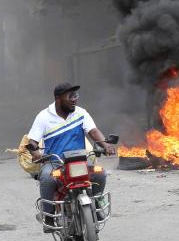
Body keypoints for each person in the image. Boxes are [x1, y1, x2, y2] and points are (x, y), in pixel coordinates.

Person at [27, 83, 116, 232]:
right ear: (58, 98)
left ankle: (96, 203)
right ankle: (49, 215)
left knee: (100, 173)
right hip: (56, 162)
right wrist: (35, 153)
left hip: (80, 161)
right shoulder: (44, 116)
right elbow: (32, 141)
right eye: (70, 96)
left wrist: (105, 144)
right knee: (47, 179)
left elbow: (93, 131)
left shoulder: (81, 113)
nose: (74, 99)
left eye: (76, 96)